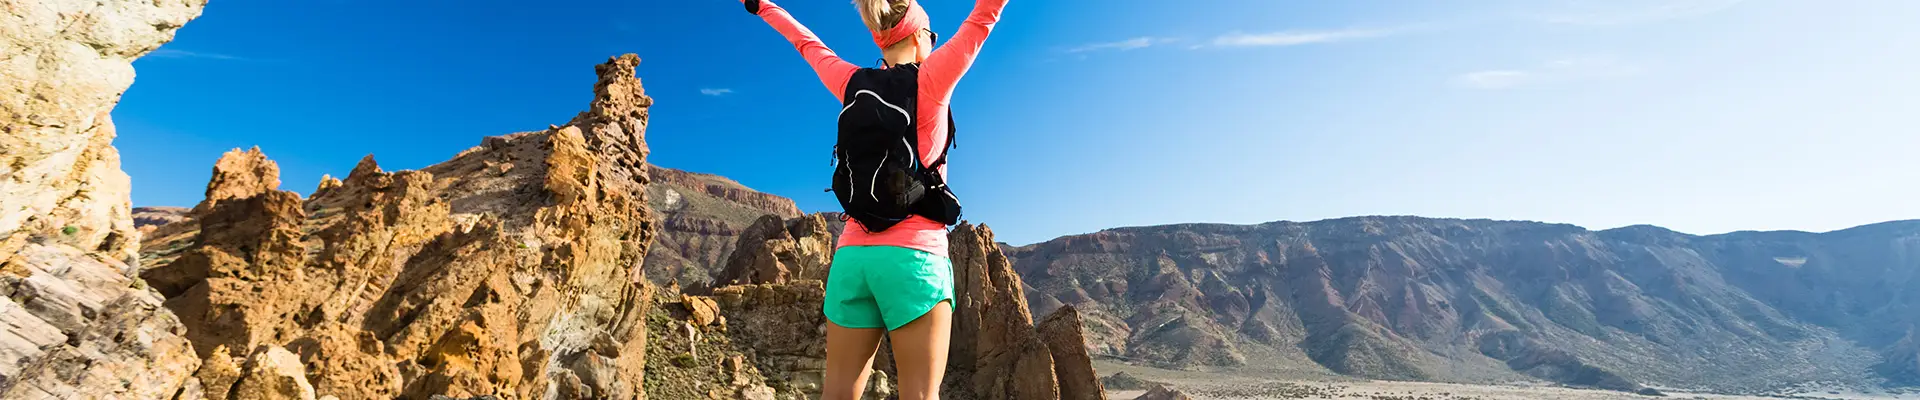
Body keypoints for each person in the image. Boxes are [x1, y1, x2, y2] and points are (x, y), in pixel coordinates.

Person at [736, 0, 1008, 399]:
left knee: (838, 393)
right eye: (931, 36)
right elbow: (984, 16)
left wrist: (763, 6)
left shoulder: (850, 82)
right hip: (913, 260)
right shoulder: (932, 78)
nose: (933, 43)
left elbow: (806, 43)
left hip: (852, 258)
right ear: (918, 36)